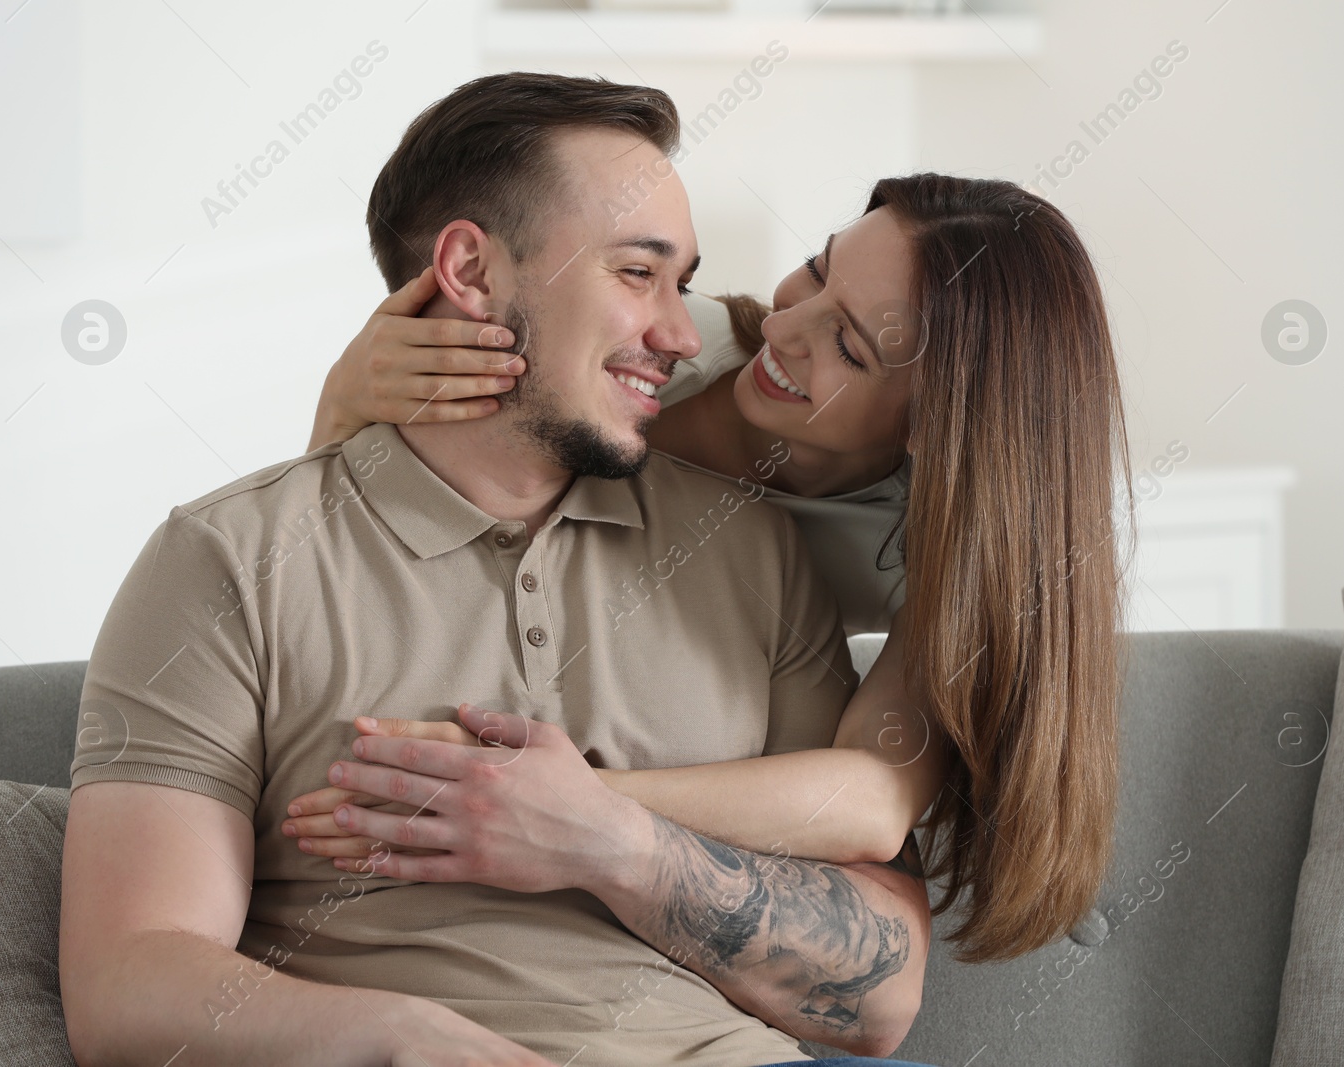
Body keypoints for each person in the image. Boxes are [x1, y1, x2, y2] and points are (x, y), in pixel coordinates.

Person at [59, 72, 938, 1067]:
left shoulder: (759, 552)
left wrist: (603, 835)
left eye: (681, 283)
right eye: (637, 273)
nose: (685, 335)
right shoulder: (227, 559)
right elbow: (126, 979)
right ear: (470, 270)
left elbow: (881, 996)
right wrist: (393, 1032)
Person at [295, 151, 1135, 966]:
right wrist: (341, 402)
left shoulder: (938, 539)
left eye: (847, 346)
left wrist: (554, 805)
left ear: (932, 424)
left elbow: (874, 798)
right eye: (816, 268)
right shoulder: (656, 352)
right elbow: (332, 545)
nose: (783, 326)